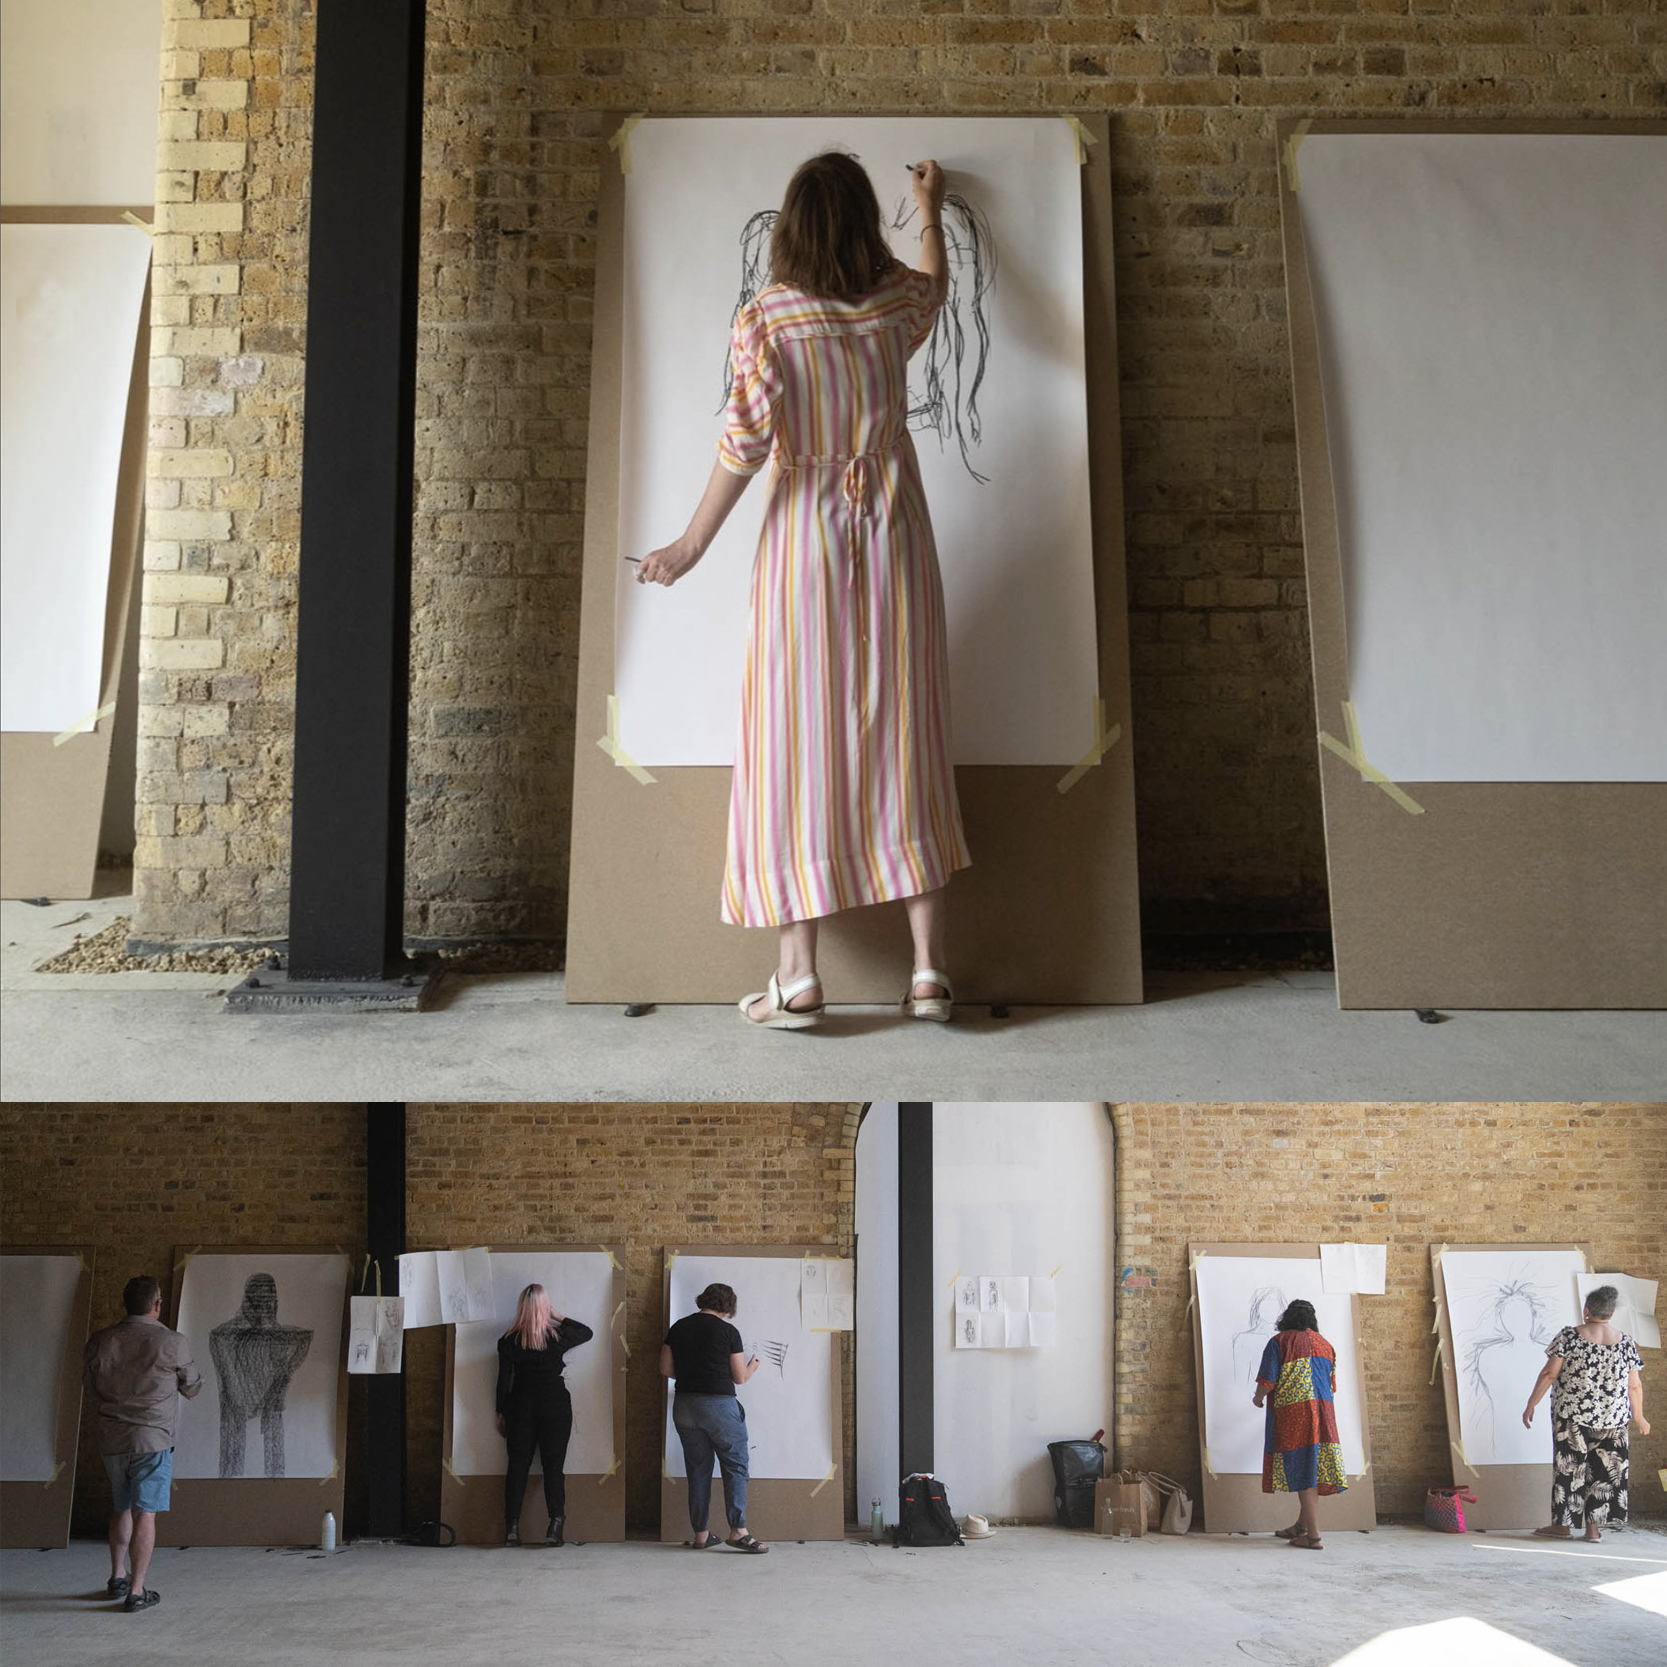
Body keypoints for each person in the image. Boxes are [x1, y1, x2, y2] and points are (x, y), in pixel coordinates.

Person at [638, 151, 972, 1030]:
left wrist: (690, 543)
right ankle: (930, 972)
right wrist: (927, 206)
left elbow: (743, 444)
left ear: (789, 226)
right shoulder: (894, 302)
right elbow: (935, 282)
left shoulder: (769, 320)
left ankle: (798, 976)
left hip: (803, 546)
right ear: (862, 224)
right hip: (895, 533)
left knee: (794, 742)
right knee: (906, 731)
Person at [82, 1274, 202, 1612]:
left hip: (113, 1438)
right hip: (152, 1440)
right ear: (157, 1306)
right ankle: (136, 1591)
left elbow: (90, 1389)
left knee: (120, 1506)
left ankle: (116, 1576)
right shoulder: (172, 1342)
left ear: (126, 1304)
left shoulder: (101, 1340)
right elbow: (193, 1387)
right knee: (145, 1512)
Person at [1522, 1284, 1648, 1541]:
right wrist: (1639, 1416)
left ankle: (1563, 1526)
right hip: (1613, 1419)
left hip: (1572, 1417)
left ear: (1586, 1310)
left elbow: (1549, 1374)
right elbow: (1634, 1384)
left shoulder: (1568, 1336)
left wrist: (1531, 1403)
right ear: (1611, 1312)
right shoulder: (1626, 1342)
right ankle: (1593, 1530)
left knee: (1569, 1470)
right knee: (1603, 1473)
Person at [659, 1282, 768, 1552]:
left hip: (684, 1405)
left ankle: (701, 1535)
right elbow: (739, 1378)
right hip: (718, 1406)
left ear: (703, 1300)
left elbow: (665, 1368)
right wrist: (753, 1366)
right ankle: (738, 1531)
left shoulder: (679, 1327)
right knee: (735, 1466)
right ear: (728, 1306)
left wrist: (691, 1376)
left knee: (697, 1470)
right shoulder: (728, 1331)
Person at [495, 1283, 594, 1547]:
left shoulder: (508, 1341)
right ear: (544, 1308)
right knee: (554, 1467)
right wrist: (558, 1316)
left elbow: (503, 1380)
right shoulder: (557, 1336)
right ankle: (556, 1525)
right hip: (555, 1406)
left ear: (521, 1308)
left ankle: (512, 1528)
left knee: (517, 1466)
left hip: (520, 1406)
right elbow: (587, 1332)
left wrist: (500, 1412)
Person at [1252, 1298, 1348, 1551]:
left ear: (1287, 1317)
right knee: (1312, 1465)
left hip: (1294, 1413)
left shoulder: (1280, 1342)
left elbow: (1267, 1380)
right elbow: (1332, 1385)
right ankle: (1301, 1526)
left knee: (1304, 1468)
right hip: (1324, 1414)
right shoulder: (1326, 1345)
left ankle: (1313, 1536)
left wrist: (1258, 1397)